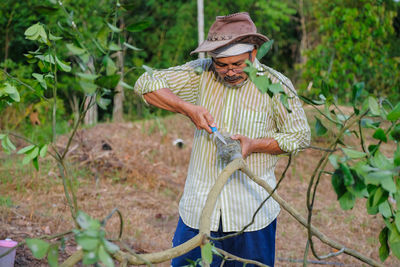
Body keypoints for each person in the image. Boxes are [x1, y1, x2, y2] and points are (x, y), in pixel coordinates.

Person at [134, 12, 310, 267]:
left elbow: (300, 136)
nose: (229, 72)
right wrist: (188, 109)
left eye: (238, 64)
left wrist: (254, 144)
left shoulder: (276, 86)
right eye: (221, 64)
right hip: (198, 210)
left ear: (254, 53)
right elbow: (145, 83)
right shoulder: (201, 74)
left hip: (251, 214)